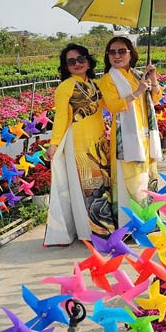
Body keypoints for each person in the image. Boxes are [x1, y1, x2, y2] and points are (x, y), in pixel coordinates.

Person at [43, 44, 116, 246]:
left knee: (104, 185)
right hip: (78, 143)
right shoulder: (65, 87)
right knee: (89, 187)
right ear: (65, 66)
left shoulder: (97, 84)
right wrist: (54, 143)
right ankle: (96, 232)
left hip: (99, 142)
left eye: (80, 59)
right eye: (71, 61)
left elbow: (112, 105)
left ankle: (107, 227)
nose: (77, 64)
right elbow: (60, 117)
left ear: (88, 60)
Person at [97, 36, 162, 228]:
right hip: (126, 140)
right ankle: (131, 225)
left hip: (145, 136)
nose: (117, 56)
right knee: (131, 181)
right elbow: (114, 106)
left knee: (147, 179)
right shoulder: (108, 80)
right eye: (112, 52)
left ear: (130, 53)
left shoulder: (137, 75)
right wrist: (137, 92)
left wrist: (153, 77)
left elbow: (156, 98)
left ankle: (149, 222)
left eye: (121, 51)